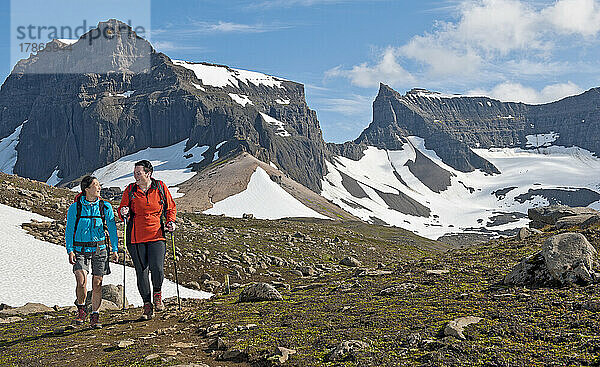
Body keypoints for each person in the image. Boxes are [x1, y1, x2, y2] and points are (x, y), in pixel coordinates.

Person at [118, 160, 176, 320]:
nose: (135, 175)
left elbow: (170, 207)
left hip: (157, 234)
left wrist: (171, 221)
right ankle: (147, 306)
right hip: (135, 237)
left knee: (157, 268)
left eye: (138, 173)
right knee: (141, 271)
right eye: (134, 173)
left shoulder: (160, 187)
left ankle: (157, 294)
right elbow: (123, 210)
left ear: (148, 174)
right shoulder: (130, 190)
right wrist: (123, 212)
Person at [65, 176, 118, 328]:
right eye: (96, 185)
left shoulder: (105, 206)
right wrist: (70, 250)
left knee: (97, 284)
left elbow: (112, 230)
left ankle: (95, 315)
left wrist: (114, 249)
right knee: (81, 281)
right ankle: (81, 310)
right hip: (79, 249)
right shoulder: (75, 207)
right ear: (86, 189)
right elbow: (69, 230)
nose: (99, 188)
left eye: (99, 185)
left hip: (100, 249)